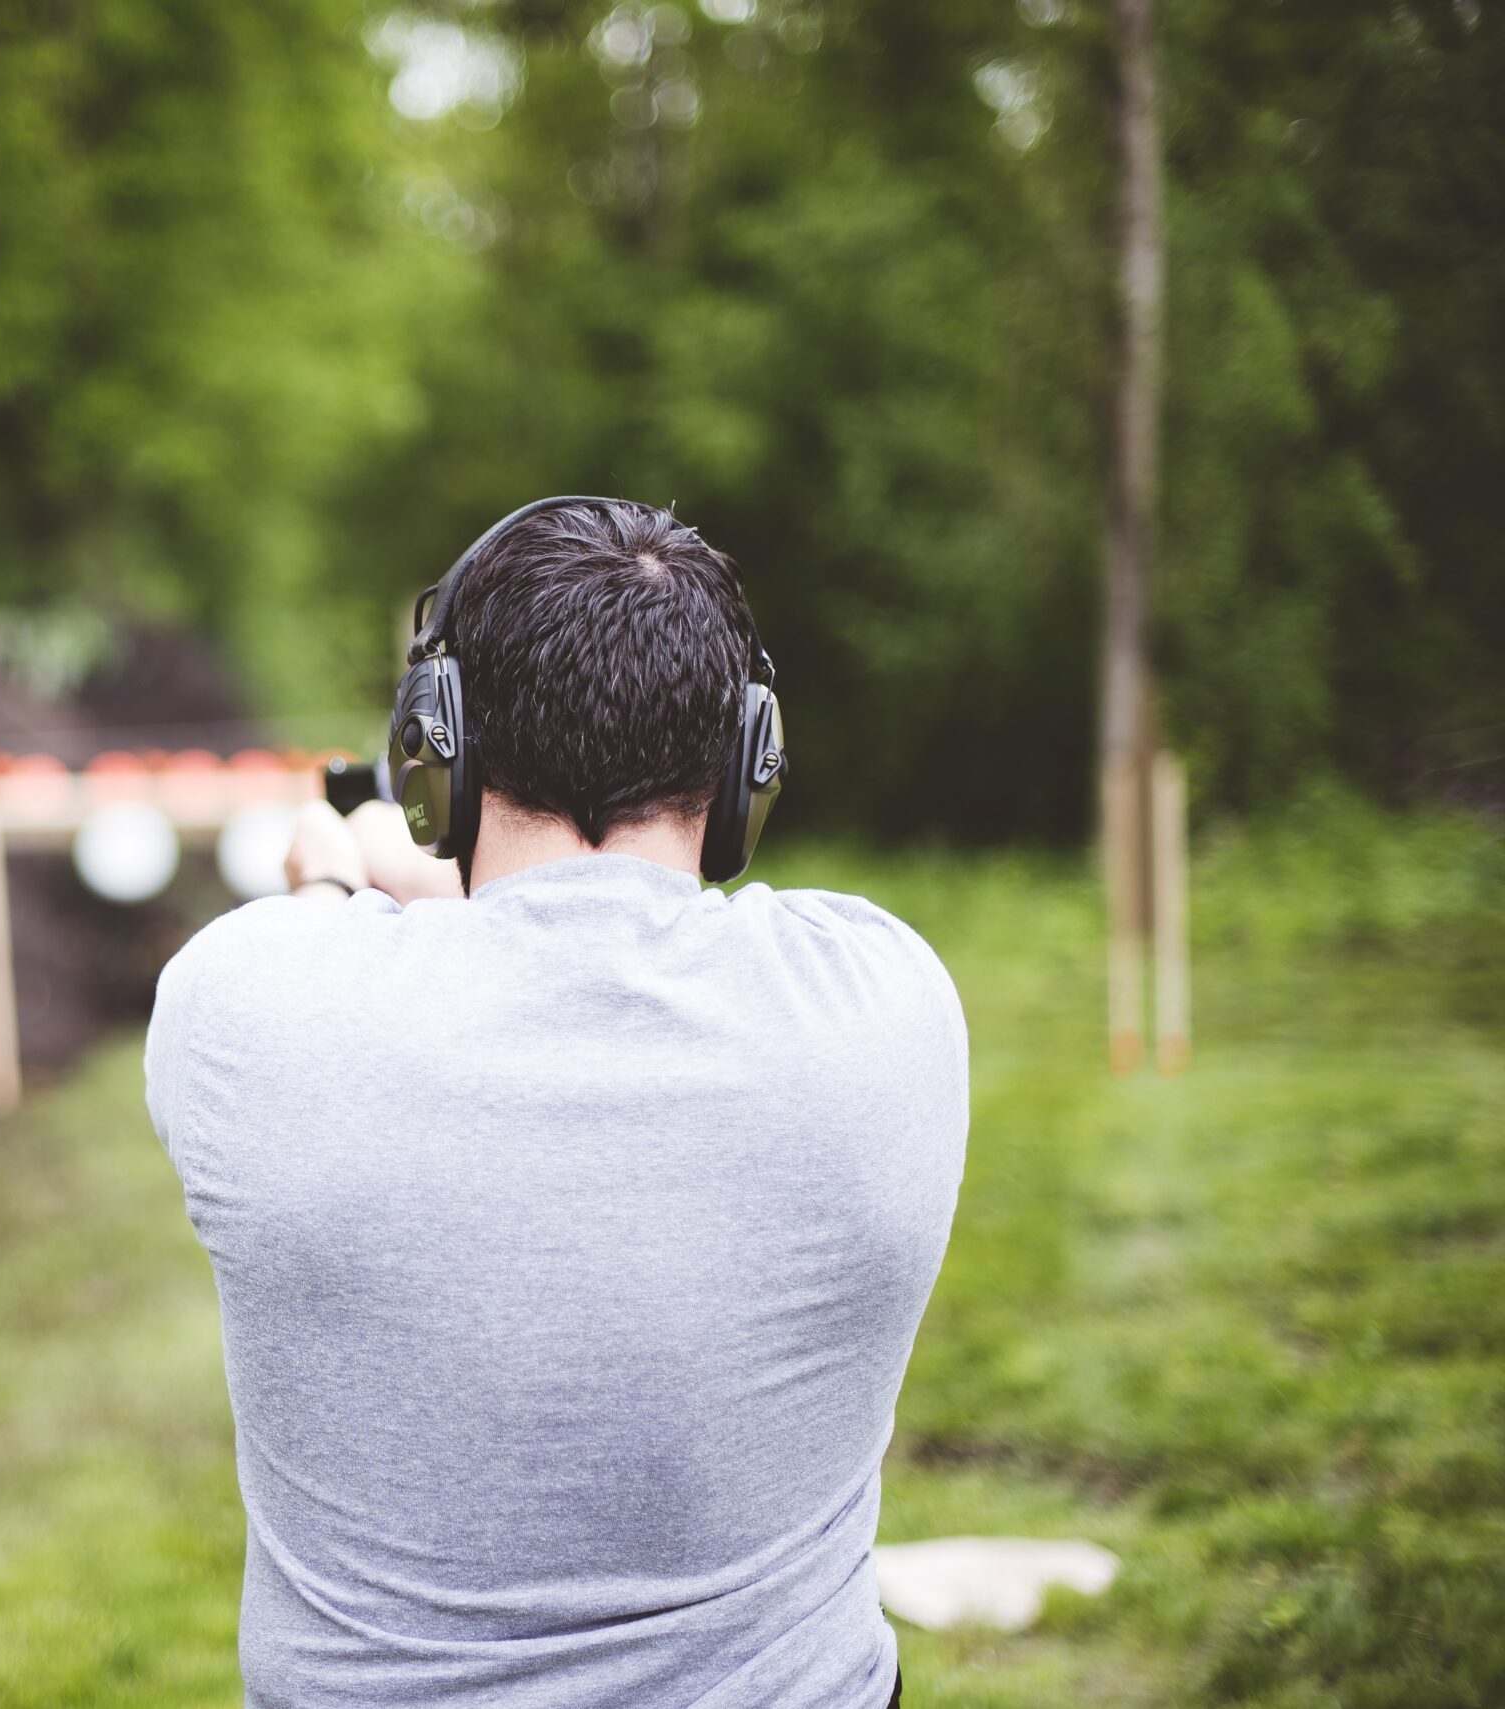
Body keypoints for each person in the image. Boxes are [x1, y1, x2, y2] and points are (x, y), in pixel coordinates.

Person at [143, 498, 966, 1708]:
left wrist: (339, 864)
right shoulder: (887, 998)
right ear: (749, 756)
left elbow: (377, 943)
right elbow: (605, 924)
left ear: (441, 745)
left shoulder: (243, 999)